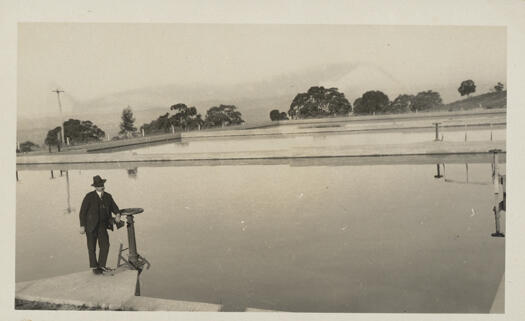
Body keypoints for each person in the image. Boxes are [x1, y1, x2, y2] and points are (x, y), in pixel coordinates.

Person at [79, 175, 122, 275]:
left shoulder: (108, 196)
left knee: (105, 245)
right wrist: (82, 225)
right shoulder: (89, 197)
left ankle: (101, 265)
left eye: (102, 184)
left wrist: (118, 214)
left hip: (102, 225)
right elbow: (82, 212)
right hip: (90, 226)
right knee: (91, 247)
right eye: (99, 185)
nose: (101, 187)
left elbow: (115, 207)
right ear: (95, 187)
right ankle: (95, 268)